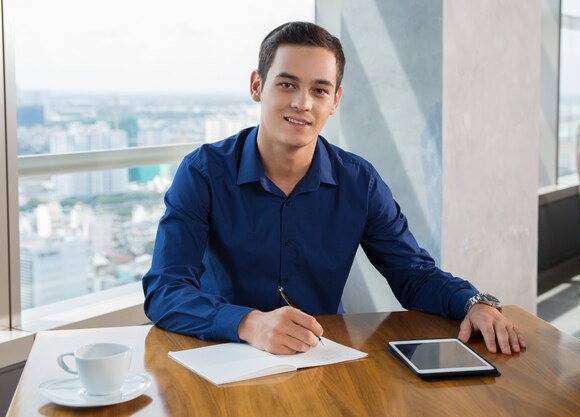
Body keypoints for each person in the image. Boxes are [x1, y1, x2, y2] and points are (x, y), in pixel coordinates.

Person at [143, 21, 526, 356]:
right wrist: (248, 323)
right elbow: (166, 289)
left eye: (320, 90)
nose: (302, 102)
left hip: (319, 357)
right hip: (220, 354)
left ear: (335, 101)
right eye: (287, 84)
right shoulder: (203, 173)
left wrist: (473, 303)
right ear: (257, 86)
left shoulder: (359, 181)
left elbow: (414, 275)